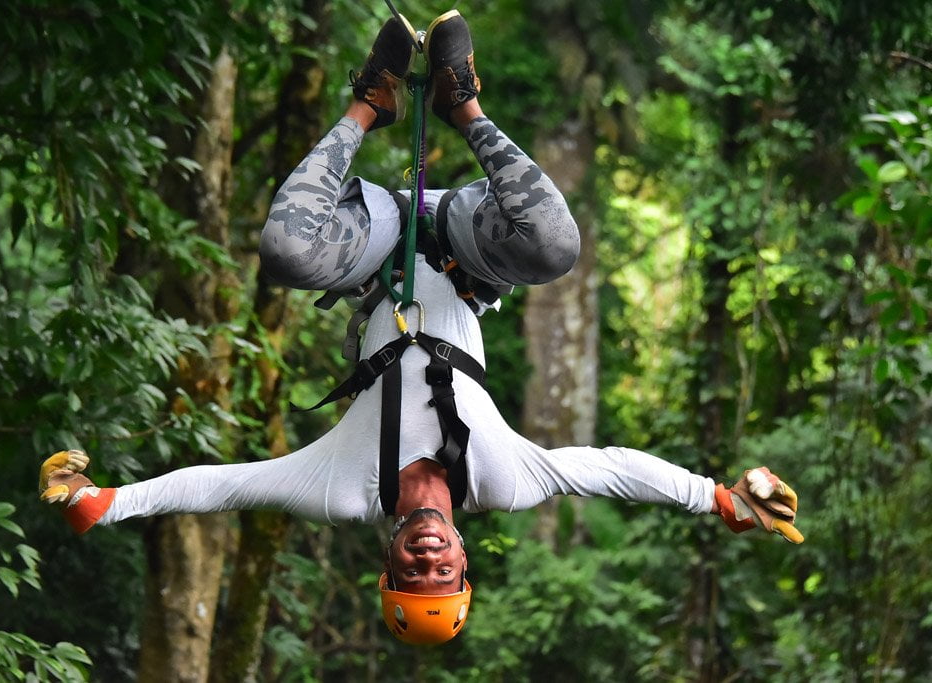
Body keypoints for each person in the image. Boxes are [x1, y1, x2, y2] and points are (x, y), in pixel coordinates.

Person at [39, 10, 803, 646]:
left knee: (284, 252)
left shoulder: (342, 490)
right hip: (465, 250)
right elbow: (608, 468)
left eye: (413, 573)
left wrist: (106, 501)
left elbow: (223, 486)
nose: (428, 558)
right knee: (556, 248)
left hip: (375, 249)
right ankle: (461, 103)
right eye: (442, 573)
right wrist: (719, 500)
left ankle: (370, 100)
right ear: (465, 559)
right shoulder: (503, 477)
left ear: (390, 561)